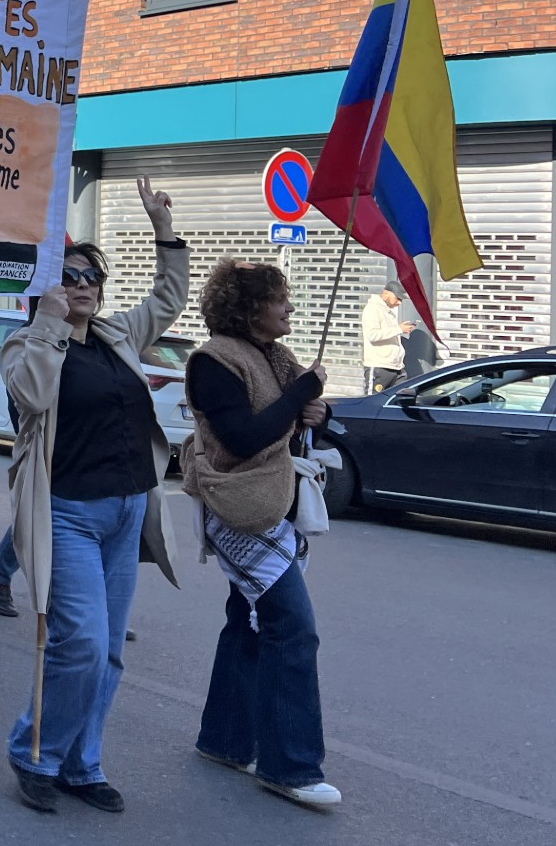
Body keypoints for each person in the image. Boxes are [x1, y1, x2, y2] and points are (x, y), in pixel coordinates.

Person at [0, 178, 186, 815]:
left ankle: (82, 764)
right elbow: (34, 398)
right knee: (77, 643)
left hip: (128, 506)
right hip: (69, 514)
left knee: (106, 652)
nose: (83, 285)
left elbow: (168, 297)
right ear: (47, 289)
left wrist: (163, 230)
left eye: (91, 277)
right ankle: (34, 753)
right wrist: (49, 320)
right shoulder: (25, 345)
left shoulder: (116, 337)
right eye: (70, 276)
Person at [182, 260, 341, 808]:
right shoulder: (214, 361)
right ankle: (290, 767)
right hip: (240, 509)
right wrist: (301, 395)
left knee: (246, 623)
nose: (290, 308)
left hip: (275, 505)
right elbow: (244, 438)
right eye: (280, 300)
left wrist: (313, 408)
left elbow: (293, 415)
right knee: (292, 629)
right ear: (251, 308)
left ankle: (224, 741)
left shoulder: (274, 356)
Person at [360, 280, 412, 392]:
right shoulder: (373, 309)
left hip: (396, 367)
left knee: (402, 399)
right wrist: (398, 329)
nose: (399, 303)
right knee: (372, 402)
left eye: (401, 300)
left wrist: (399, 329)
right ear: (386, 293)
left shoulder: (389, 311)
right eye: (397, 298)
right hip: (379, 366)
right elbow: (372, 335)